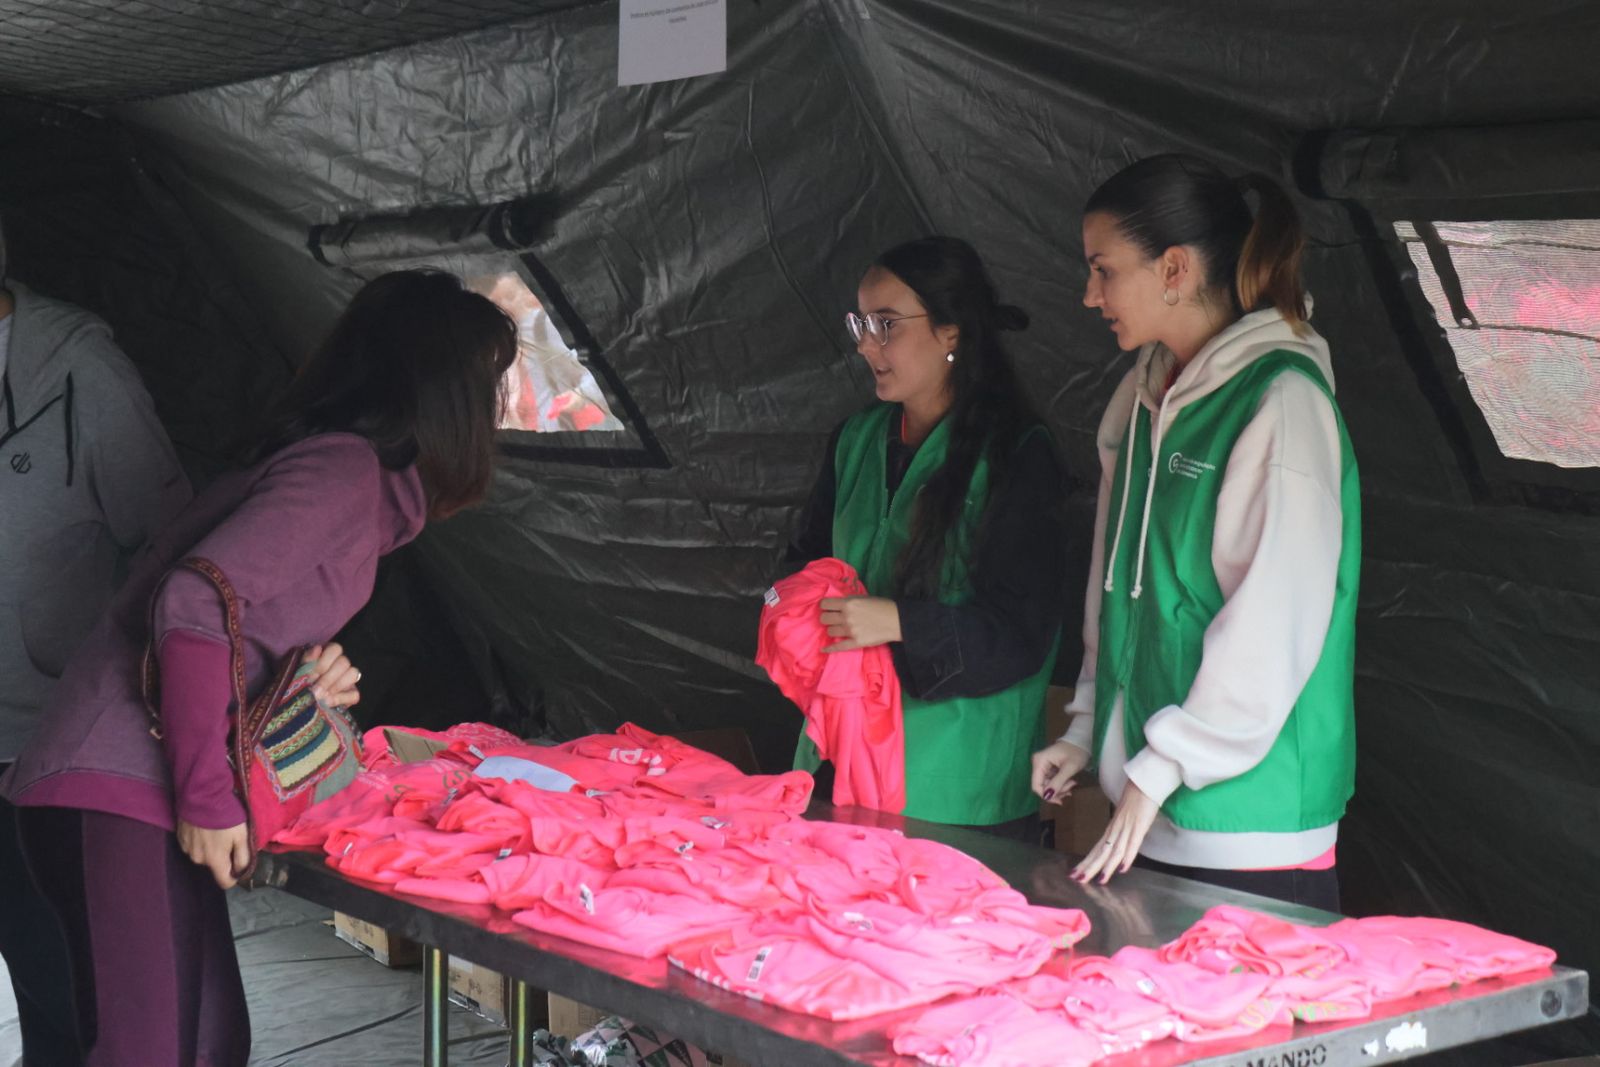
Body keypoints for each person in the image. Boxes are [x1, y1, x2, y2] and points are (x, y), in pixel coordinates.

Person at [0, 268, 517, 1066]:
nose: (503, 407)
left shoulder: (344, 477)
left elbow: (228, 616)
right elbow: (194, 602)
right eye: (492, 380)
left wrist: (299, 678)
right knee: (157, 1051)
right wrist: (210, 798)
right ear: (440, 387)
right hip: (121, 781)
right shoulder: (343, 472)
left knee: (208, 1042)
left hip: (113, 780)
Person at [1031, 155, 1360, 911]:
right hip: (1151, 808)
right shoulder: (1144, 393)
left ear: (1173, 268)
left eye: (1103, 270)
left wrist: (1162, 766)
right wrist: (1088, 728)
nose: (1089, 295)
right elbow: (1115, 588)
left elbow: (1272, 622)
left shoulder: (1280, 399)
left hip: (1253, 824)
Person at [788, 236, 1068, 839]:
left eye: (886, 325)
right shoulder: (856, 440)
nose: (866, 345)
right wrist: (793, 611)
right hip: (840, 769)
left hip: (956, 795)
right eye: (860, 323)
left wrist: (898, 622)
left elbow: (1023, 633)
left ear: (951, 332)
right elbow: (800, 565)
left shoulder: (1017, 454)